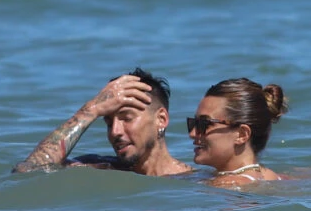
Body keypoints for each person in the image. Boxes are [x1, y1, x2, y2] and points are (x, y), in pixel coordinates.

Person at [14, 68, 192, 176]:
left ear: (161, 119)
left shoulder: (192, 180)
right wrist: (91, 109)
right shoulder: (102, 168)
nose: (115, 131)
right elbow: (28, 172)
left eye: (127, 118)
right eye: (108, 122)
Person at [187, 78, 289, 188]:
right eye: (194, 123)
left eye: (205, 124)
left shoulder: (226, 185)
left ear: (242, 134)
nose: (192, 133)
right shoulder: (274, 176)